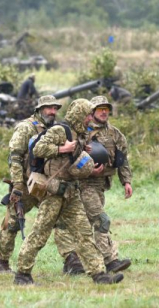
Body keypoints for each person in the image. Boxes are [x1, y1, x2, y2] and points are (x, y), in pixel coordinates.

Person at [14, 98, 124, 285]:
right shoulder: (60, 130)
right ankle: (22, 274)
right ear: (80, 115)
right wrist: (61, 148)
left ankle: (99, 274)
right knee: (40, 234)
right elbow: (38, 148)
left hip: (72, 193)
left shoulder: (80, 134)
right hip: (54, 193)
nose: (91, 118)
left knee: (84, 234)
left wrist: (81, 151)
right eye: (88, 114)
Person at [0, 95, 84, 275]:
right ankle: (2, 263)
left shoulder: (58, 128)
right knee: (12, 221)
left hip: (49, 184)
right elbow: (15, 157)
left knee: (60, 220)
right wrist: (18, 185)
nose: (53, 112)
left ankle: (71, 260)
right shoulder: (25, 127)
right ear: (39, 109)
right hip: (28, 184)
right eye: (49, 108)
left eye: (55, 108)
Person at [56, 96, 133, 274]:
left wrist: (126, 181)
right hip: (82, 183)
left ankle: (75, 261)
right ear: (91, 112)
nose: (104, 112)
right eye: (99, 109)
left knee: (85, 223)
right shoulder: (82, 132)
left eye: (106, 108)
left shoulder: (115, 133)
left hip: (100, 184)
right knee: (101, 220)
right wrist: (88, 170)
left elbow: (122, 159)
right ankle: (109, 260)